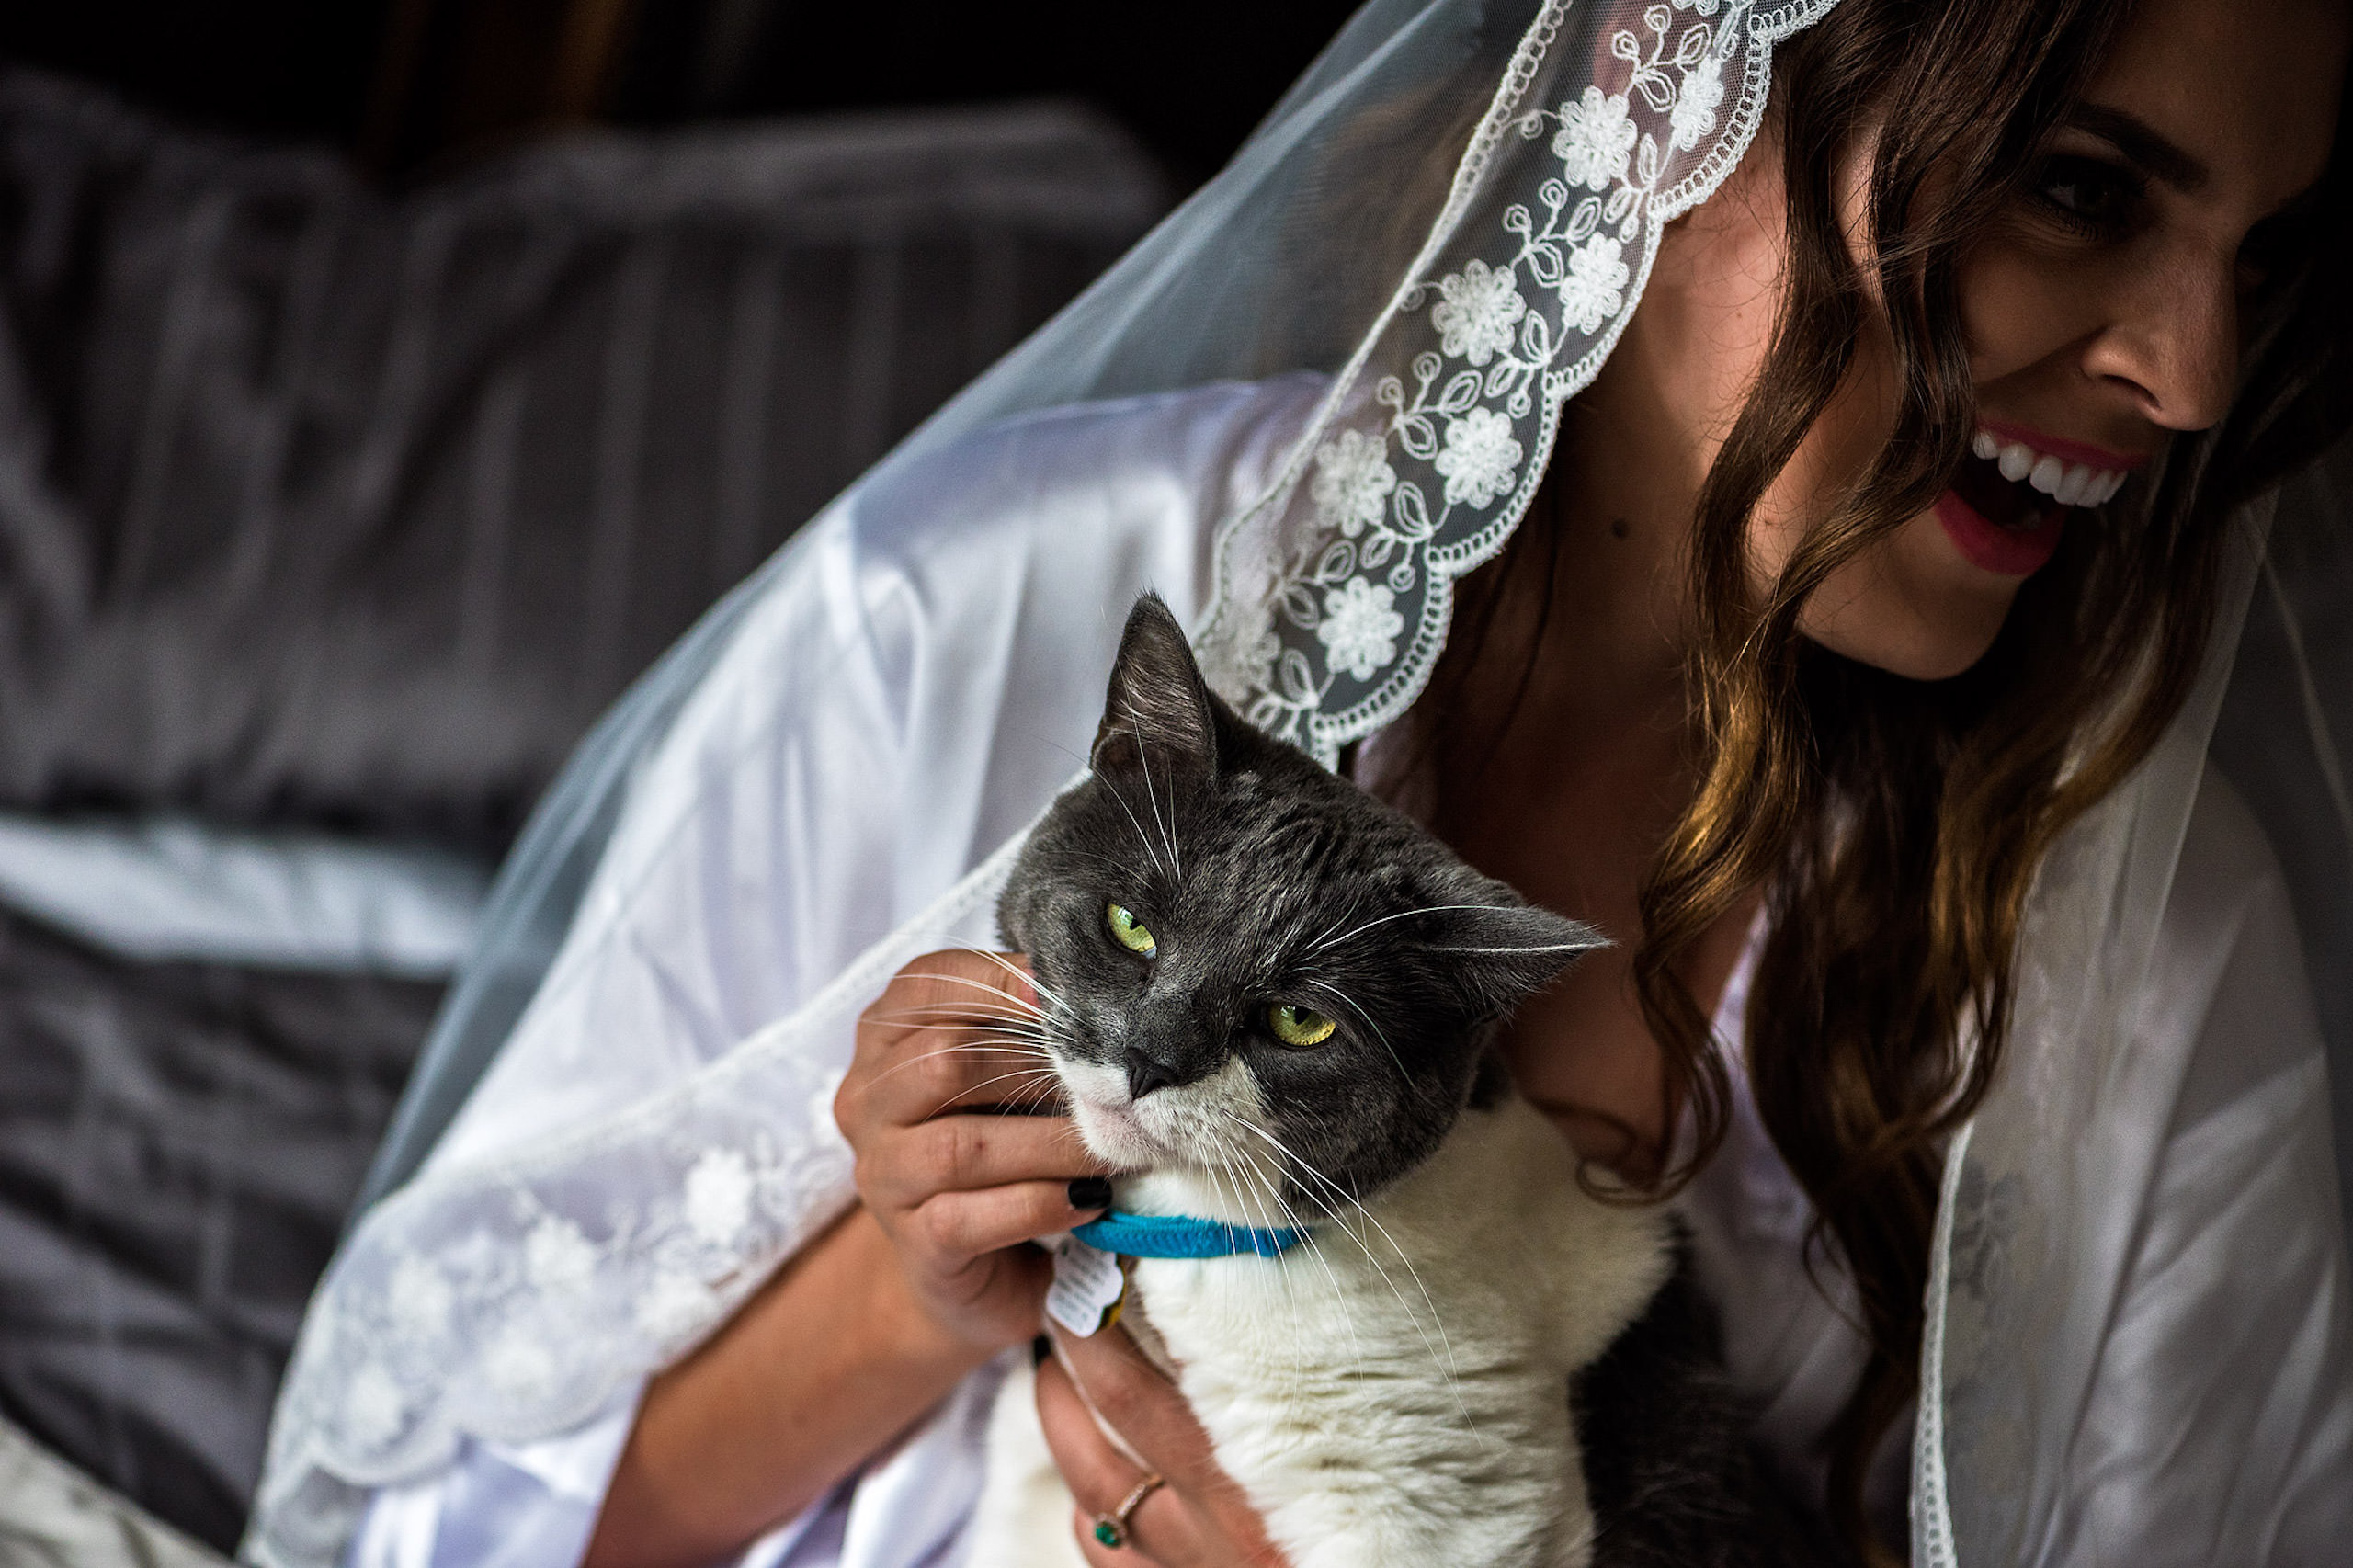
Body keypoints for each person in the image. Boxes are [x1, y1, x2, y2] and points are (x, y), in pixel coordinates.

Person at [248, 1, 2353, 1565]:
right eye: (2075, 189)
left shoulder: (2140, 963)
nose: (2182, 374)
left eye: (2253, 257)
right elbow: (425, 1524)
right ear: (1651, 78)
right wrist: (901, 1291)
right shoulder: (971, 618)